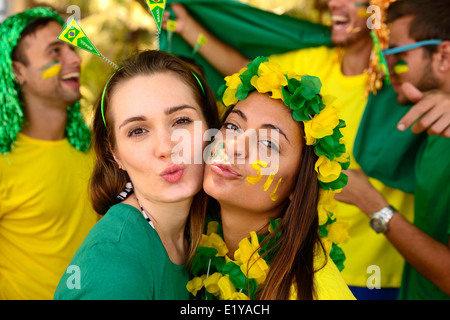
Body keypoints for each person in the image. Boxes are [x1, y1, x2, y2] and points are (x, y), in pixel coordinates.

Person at [163, 0, 412, 299]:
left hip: (371, 266)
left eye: (268, 144)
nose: (335, 4)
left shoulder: (404, 79)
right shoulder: (311, 65)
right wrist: (189, 29)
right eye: (232, 127)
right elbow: (252, 82)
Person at [54, 50, 220, 299]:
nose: (166, 148)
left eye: (181, 121)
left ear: (210, 129)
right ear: (115, 155)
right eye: (138, 131)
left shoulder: (206, 228)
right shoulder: (112, 262)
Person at [186, 57, 355, 300]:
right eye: (233, 127)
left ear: (298, 186)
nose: (234, 147)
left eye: (267, 143)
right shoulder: (187, 244)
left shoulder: (317, 292)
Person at [337, 0, 450, 300]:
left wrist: (373, 204)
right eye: (385, 56)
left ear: (444, 54)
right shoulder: (433, 128)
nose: (387, 69)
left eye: (398, 55)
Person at [0, 7, 98, 300]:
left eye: (71, 48)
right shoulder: (4, 162)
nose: (75, 59)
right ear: (18, 71)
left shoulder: (98, 148)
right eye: (55, 51)